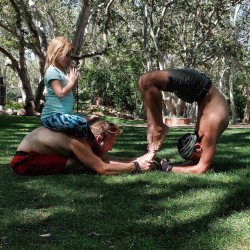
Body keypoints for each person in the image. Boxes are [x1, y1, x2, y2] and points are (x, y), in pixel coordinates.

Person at [138, 68, 229, 174]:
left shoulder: (200, 139)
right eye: (194, 158)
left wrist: (168, 166)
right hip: (200, 86)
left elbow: (197, 164)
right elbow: (201, 169)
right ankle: (157, 127)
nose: (195, 160)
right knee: (146, 81)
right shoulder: (208, 135)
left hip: (199, 91)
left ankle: (155, 126)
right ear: (197, 147)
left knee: (145, 82)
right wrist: (168, 168)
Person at [10, 121, 153, 176]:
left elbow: (98, 157)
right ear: (98, 139)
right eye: (110, 144)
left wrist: (136, 159)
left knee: (90, 159)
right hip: (24, 162)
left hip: (32, 155)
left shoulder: (84, 136)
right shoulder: (78, 142)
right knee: (86, 163)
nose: (111, 148)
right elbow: (102, 168)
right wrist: (136, 166)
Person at [41, 36, 97, 138]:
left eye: (70, 55)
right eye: (67, 55)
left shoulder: (60, 72)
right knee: (80, 123)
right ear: (56, 53)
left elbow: (69, 92)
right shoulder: (52, 71)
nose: (69, 59)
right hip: (52, 116)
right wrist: (71, 81)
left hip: (64, 114)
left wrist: (73, 81)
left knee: (86, 120)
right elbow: (61, 93)